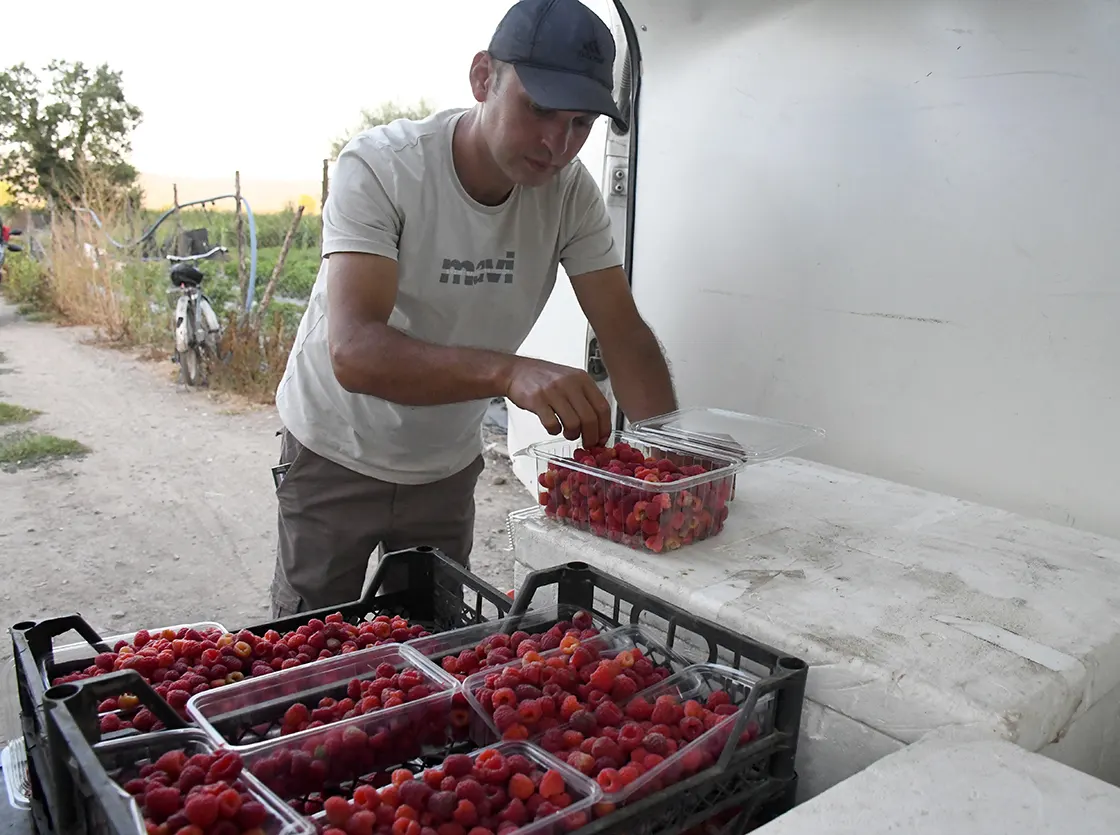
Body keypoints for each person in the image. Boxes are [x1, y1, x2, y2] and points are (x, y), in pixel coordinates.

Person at [269, 0, 677, 618]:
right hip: (336, 450)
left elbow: (623, 332)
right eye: (539, 109)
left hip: (445, 467)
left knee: (430, 647)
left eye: (581, 123)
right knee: (307, 655)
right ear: (484, 77)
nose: (557, 144)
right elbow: (355, 353)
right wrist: (509, 372)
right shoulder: (382, 166)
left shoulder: (569, 194)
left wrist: (670, 465)